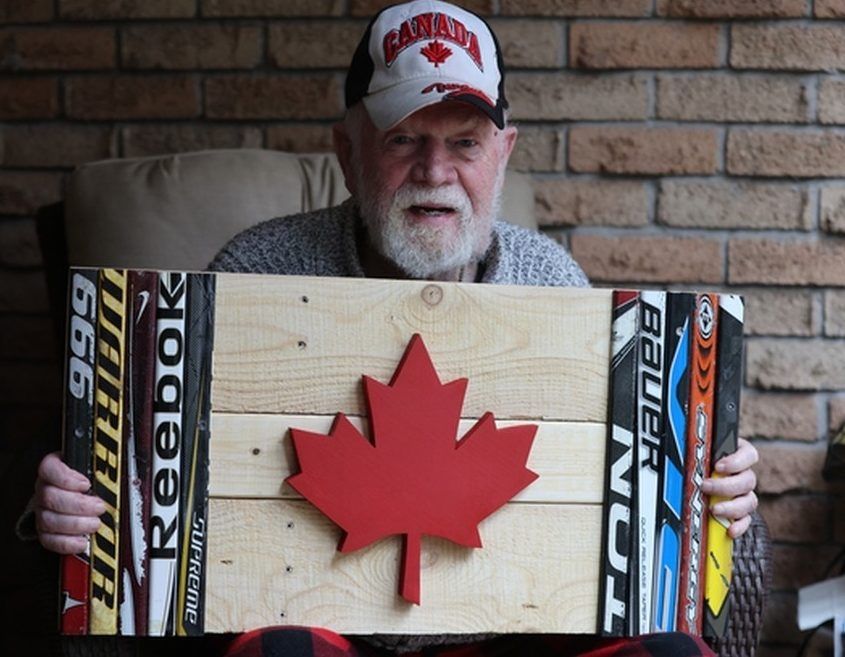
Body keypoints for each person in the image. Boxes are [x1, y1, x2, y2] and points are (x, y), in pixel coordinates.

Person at [30, 1, 759, 655]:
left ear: (503, 154)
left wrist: (714, 504)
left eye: (465, 143)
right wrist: (57, 511)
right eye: (404, 139)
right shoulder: (256, 271)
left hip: (503, 633)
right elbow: (134, 490)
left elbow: (629, 518)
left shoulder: (553, 283)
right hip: (307, 625)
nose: (434, 170)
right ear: (348, 152)